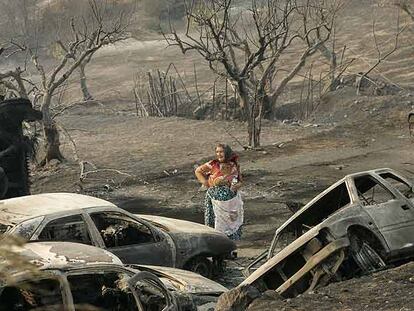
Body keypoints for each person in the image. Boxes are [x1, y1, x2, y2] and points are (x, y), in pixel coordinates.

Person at [195, 144, 243, 240]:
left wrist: (237, 185)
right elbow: (198, 171)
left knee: (231, 222)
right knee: (216, 224)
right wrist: (206, 182)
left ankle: (229, 244)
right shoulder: (213, 164)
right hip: (215, 200)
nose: (219, 154)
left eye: (221, 152)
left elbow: (240, 181)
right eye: (217, 152)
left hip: (231, 201)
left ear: (227, 153)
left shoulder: (234, 165)